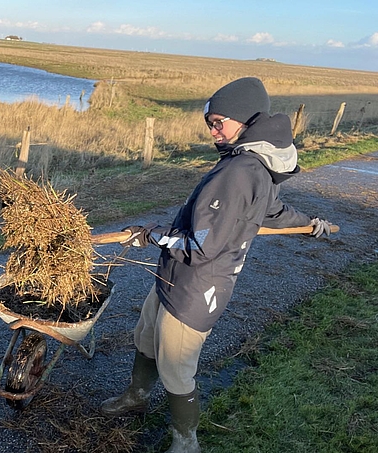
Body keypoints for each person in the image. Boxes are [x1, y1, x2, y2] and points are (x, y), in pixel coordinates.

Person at [100, 77, 333, 452]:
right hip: (174, 276)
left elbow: (199, 246)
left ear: (244, 120)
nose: (213, 131)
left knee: (176, 368)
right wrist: (308, 224)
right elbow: (272, 211)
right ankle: (136, 396)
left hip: (197, 286)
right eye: (210, 122)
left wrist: (150, 234)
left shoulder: (240, 172)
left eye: (218, 122)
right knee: (145, 337)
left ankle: (185, 441)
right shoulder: (250, 163)